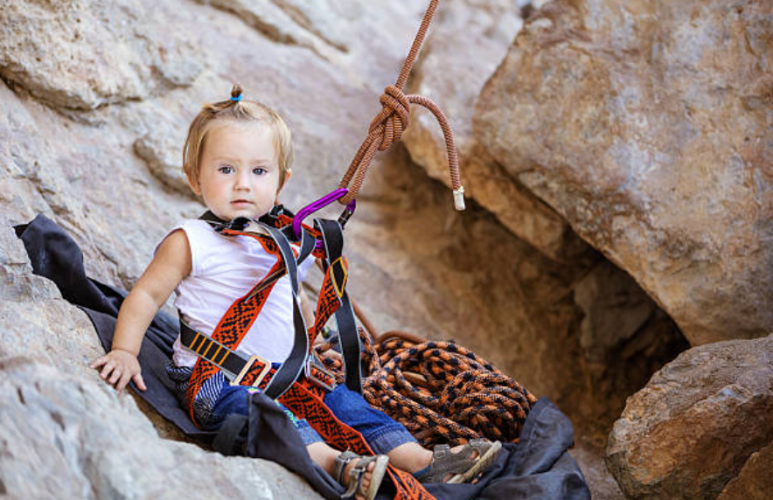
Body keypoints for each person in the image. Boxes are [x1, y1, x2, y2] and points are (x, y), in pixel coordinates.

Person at [91, 84, 501, 500]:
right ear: (195, 178)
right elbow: (144, 296)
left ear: (281, 182)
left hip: (290, 376)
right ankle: (334, 464)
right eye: (226, 169)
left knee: (347, 406)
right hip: (216, 381)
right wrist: (125, 350)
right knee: (265, 416)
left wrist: (314, 340)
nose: (243, 185)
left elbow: (294, 299)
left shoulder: (288, 241)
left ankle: (423, 462)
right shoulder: (191, 240)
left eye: (259, 171)